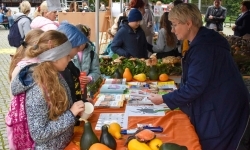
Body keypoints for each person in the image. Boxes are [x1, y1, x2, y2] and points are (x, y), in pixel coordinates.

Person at [148, 3, 250, 150]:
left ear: (188, 23)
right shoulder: (202, 42)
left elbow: (195, 86)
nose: (172, 29)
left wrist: (164, 99)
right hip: (220, 104)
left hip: (222, 110)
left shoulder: (204, 48)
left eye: (175, 24)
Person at [10, 30, 85, 149]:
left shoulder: (56, 75)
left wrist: (77, 109)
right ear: (55, 58)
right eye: (67, 56)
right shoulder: (38, 89)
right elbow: (39, 133)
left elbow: (60, 111)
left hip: (62, 144)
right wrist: (71, 114)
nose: (69, 60)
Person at [57, 22, 89, 103]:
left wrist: (83, 102)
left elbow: (73, 95)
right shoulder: (59, 69)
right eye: (77, 46)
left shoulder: (68, 65)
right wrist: (72, 112)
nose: (79, 49)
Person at [74, 24, 101, 99]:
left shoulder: (92, 54)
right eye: (77, 41)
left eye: (82, 41)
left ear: (87, 39)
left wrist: (90, 78)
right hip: (73, 91)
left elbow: (96, 71)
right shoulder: (70, 54)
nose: (79, 44)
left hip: (87, 90)